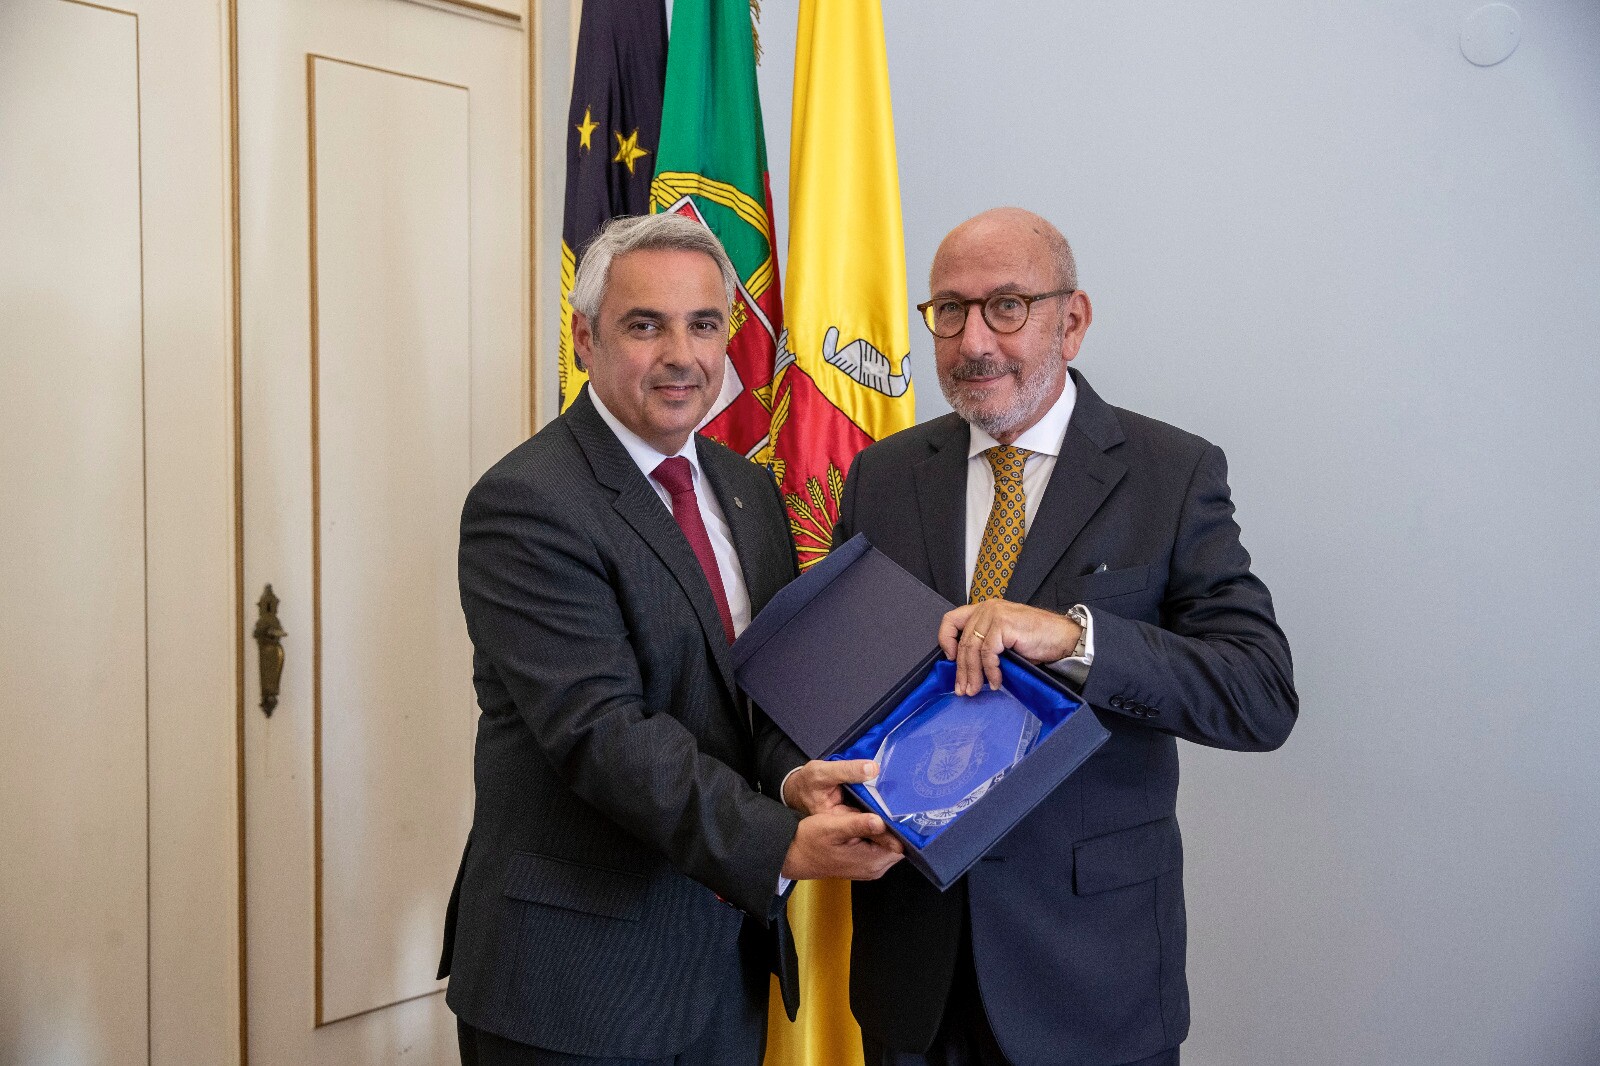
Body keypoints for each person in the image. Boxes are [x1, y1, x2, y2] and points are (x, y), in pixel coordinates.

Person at [821, 208, 1298, 1066]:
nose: (974, 341)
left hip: (1093, 979)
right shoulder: (881, 477)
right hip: (913, 976)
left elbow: (1259, 694)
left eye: (1006, 306)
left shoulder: (1171, 473)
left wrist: (1077, 639)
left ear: (1071, 322)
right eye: (950, 311)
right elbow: (840, 683)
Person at [439, 213, 901, 1066]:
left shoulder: (745, 488)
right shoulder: (528, 503)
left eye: (705, 324)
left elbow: (760, 689)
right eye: (645, 326)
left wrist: (795, 780)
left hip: (722, 967)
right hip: (574, 984)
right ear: (585, 338)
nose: (682, 355)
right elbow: (601, 732)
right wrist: (778, 841)